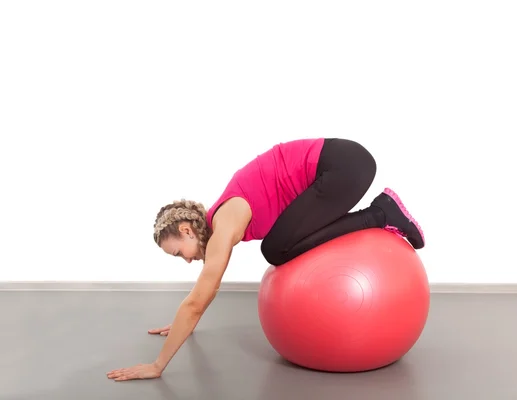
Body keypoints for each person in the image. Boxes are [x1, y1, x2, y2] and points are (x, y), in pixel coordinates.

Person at [106, 137, 425, 381]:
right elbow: (203, 296)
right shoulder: (225, 215)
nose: (187, 261)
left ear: (188, 230)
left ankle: (382, 212)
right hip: (343, 165)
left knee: (276, 249)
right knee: (279, 245)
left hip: (343, 167)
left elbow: (198, 299)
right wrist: (182, 327)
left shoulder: (225, 223)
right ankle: (381, 211)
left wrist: (157, 365)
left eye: (179, 253)